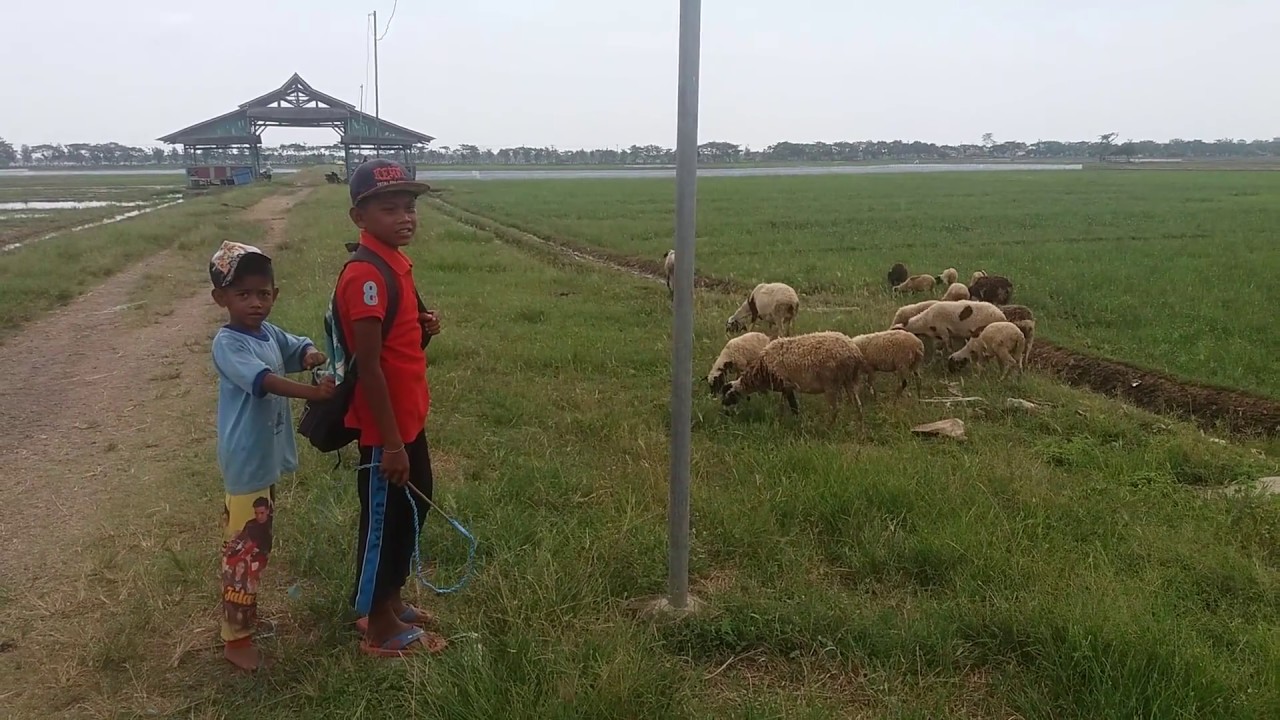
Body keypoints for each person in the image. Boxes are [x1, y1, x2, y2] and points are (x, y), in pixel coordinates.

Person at [333, 158, 446, 657]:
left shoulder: (395, 264)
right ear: (360, 217)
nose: (405, 217)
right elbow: (370, 366)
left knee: (412, 510)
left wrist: (420, 329)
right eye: (389, 208)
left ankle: (391, 600)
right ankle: (379, 625)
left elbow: (396, 347)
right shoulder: (367, 275)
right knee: (385, 521)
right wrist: (392, 443)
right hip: (387, 432)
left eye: (410, 207)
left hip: (406, 419)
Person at [208, 240, 335, 671]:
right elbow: (265, 381)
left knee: (257, 544)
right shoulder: (229, 343)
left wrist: (311, 353)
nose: (255, 303)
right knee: (244, 551)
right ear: (220, 299)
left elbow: (294, 347)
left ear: (275, 295)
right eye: (243, 294)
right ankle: (236, 639)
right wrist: (313, 392)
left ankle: (243, 622)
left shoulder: (267, 333)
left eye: (263, 294)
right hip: (246, 462)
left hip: (263, 461)